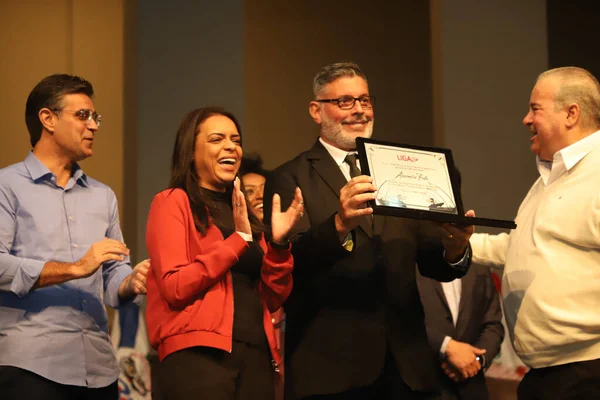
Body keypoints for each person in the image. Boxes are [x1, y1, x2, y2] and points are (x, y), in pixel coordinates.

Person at [263, 61, 475, 400]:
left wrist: (454, 249)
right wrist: (339, 224)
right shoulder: (290, 177)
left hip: (407, 371)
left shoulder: (402, 168)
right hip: (330, 371)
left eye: (365, 99)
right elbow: (290, 267)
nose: (360, 110)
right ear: (316, 110)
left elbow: (431, 261)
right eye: (345, 101)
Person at [0, 74, 149, 400]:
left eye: (95, 117)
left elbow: (113, 274)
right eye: (83, 115)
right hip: (31, 365)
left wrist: (132, 281)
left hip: (98, 368)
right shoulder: (7, 185)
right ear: (48, 119)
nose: (94, 126)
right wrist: (75, 267)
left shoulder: (103, 196)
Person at [145, 106, 304, 400]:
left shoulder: (243, 212)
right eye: (217, 139)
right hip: (197, 356)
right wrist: (236, 243)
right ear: (191, 152)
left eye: (235, 139)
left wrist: (279, 246)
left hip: (255, 353)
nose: (231, 146)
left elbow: (272, 298)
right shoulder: (172, 202)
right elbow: (174, 286)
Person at [469, 66, 600, 399]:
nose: (526, 119)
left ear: (571, 114)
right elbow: (521, 247)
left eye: (535, 109)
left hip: (588, 371)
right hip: (548, 376)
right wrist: (460, 241)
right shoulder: (549, 178)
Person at [417, 259, 504, 400]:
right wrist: (446, 346)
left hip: (471, 389)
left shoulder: (479, 266)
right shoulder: (409, 263)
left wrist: (474, 361)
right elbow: (398, 320)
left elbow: (493, 325)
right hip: (423, 386)